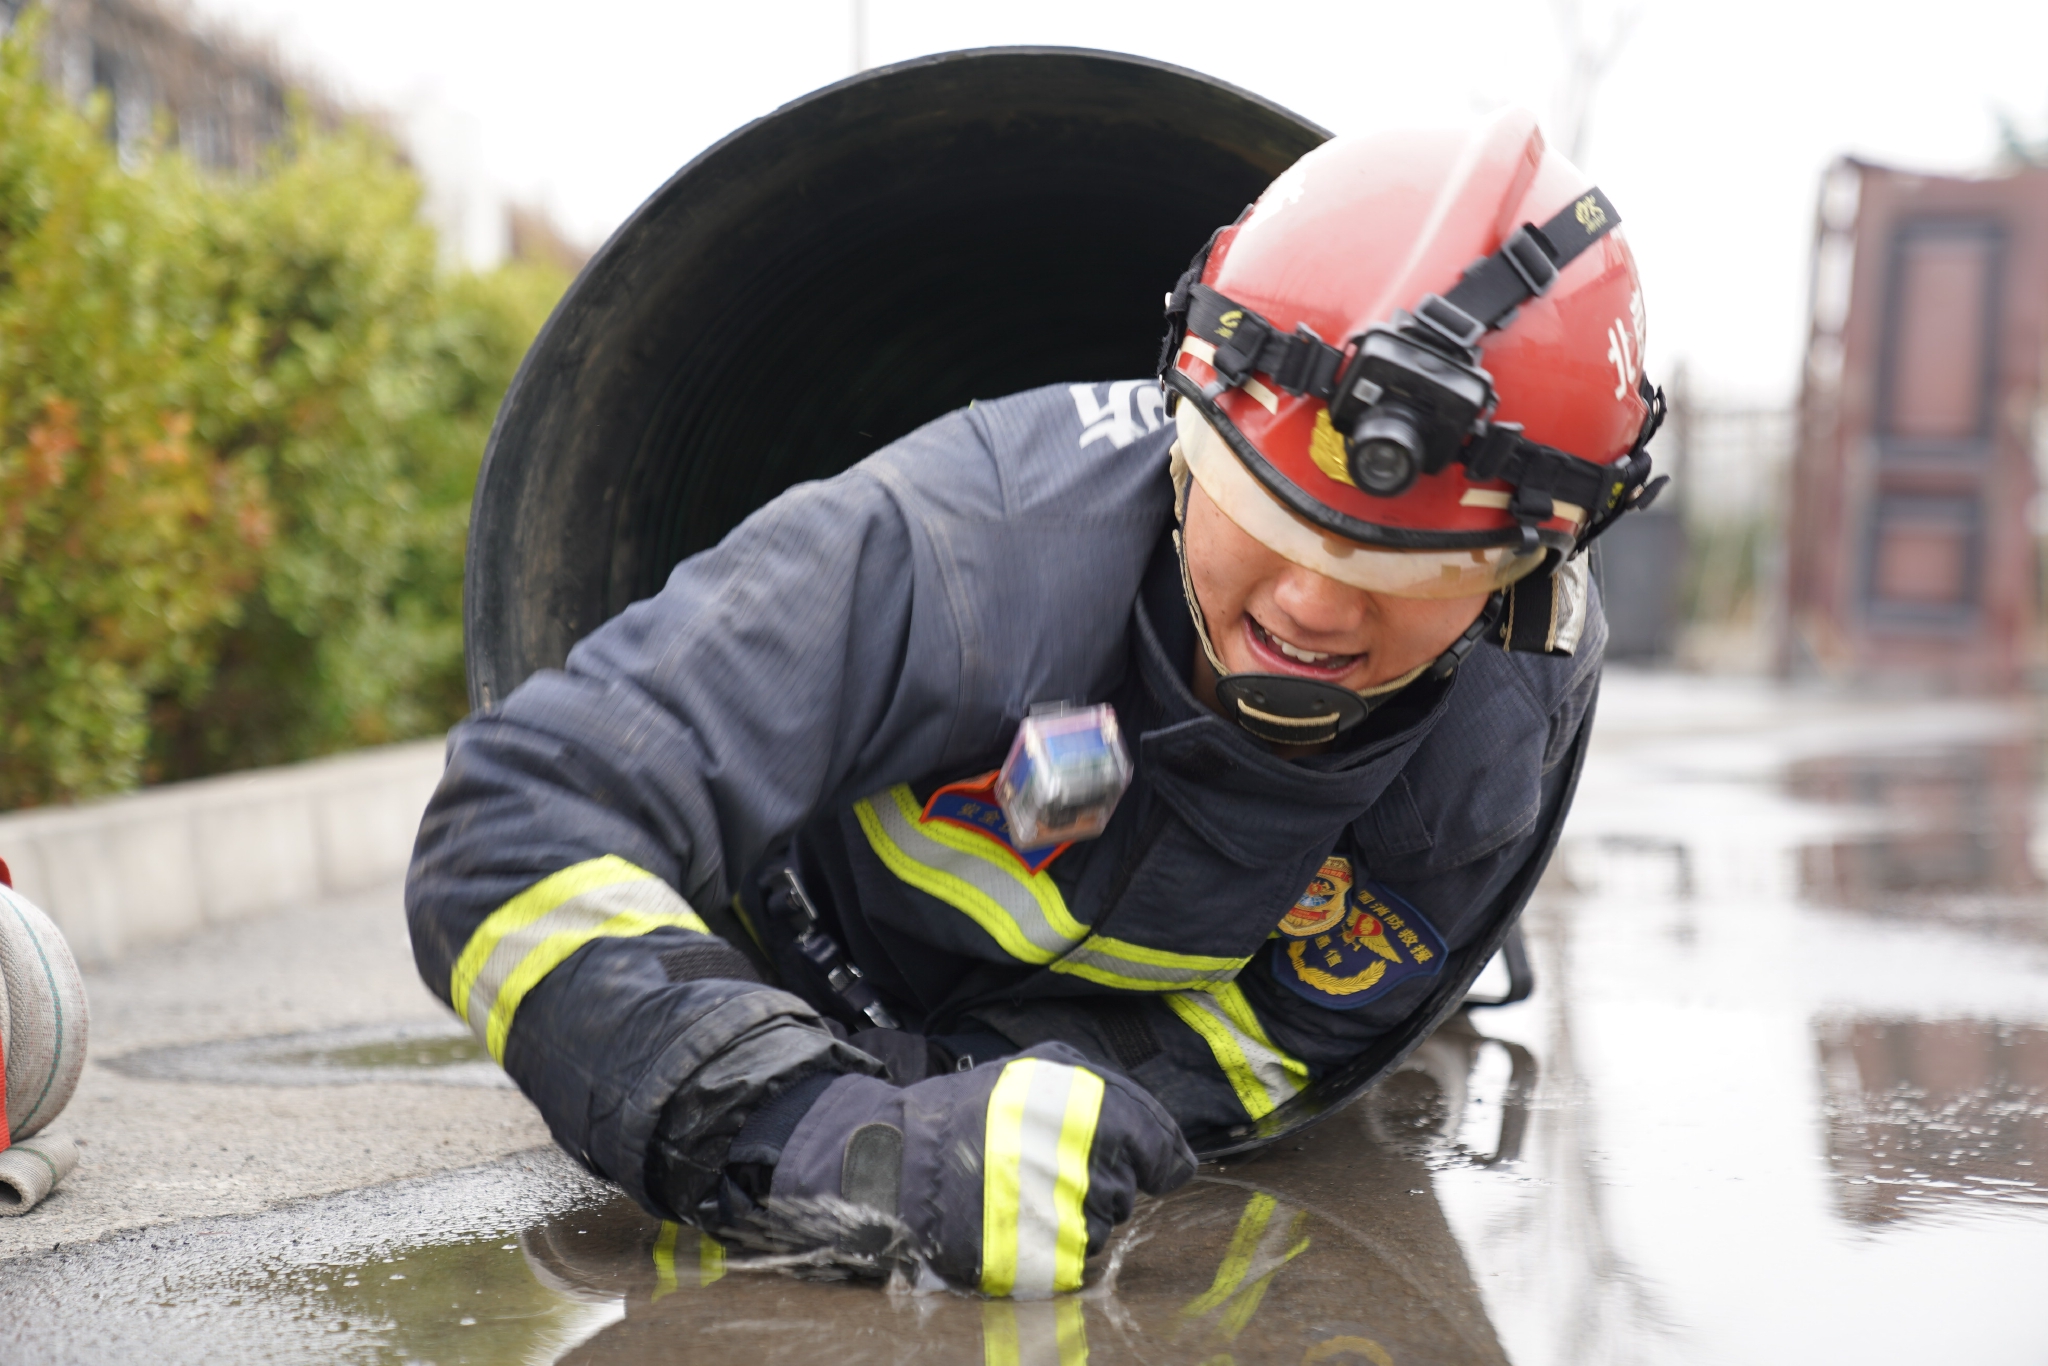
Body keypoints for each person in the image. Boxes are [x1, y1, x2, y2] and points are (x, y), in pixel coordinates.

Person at [406, 107, 1663, 1297]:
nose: (1315, 607)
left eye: (1414, 571)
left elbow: (1274, 1042)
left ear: (1526, 573)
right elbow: (510, 827)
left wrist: (1001, 1098)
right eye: (1267, 513)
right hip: (771, 961)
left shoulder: (1504, 720)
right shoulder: (972, 542)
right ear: (1185, 417)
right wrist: (829, 1135)